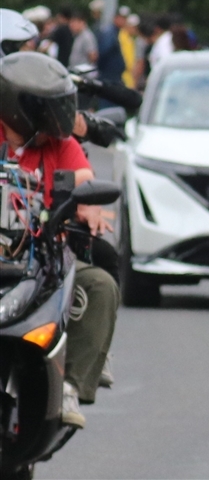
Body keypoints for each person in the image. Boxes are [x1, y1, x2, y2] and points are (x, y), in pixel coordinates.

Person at [0, 51, 120, 429]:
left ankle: (71, 383)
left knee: (99, 285)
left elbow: (83, 178)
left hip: (43, 255)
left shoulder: (59, 143)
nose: (58, 117)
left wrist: (89, 205)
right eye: (47, 107)